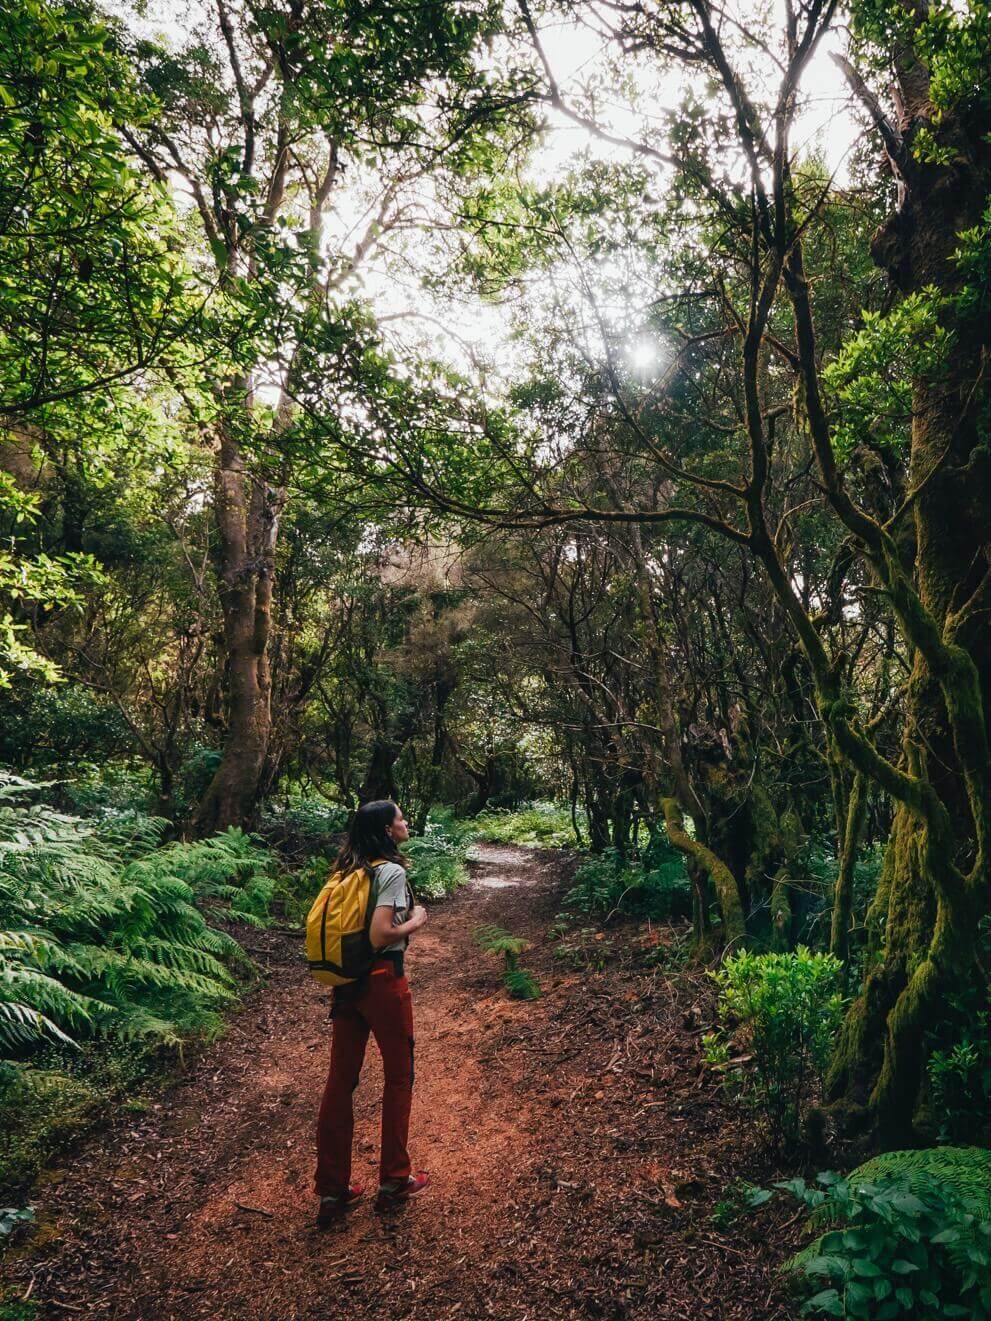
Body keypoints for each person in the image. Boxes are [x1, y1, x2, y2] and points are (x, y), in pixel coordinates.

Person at [313, 800, 429, 1225]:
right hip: (383, 980)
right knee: (399, 1076)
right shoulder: (391, 872)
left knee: (340, 1083)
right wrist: (415, 920)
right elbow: (381, 934)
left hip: (346, 983)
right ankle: (395, 1179)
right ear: (385, 830)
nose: (406, 821)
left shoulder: (345, 872)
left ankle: (332, 1192)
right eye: (401, 817)